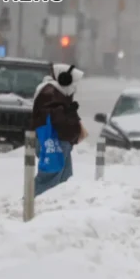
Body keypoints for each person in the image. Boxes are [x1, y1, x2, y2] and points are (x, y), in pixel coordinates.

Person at [31, 64, 87, 196]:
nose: (74, 87)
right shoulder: (49, 92)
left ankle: (51, 208)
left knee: (63, 181)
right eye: (73, 82)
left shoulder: (58, 92)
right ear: (64, 79)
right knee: (48, 180)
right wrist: (69, 113)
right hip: (53, 140)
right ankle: (29, 204)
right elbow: (52, 116)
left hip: (60, 141)